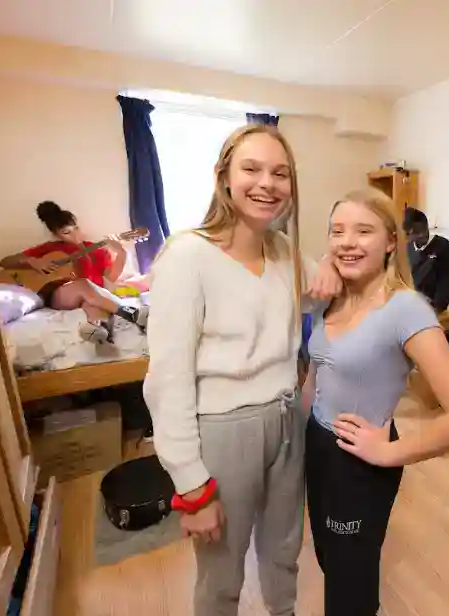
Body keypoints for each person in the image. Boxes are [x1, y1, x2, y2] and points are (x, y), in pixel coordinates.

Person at [142, 124, 342, 616]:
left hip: (286, 419)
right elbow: (168, 380)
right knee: (222, 570)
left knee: (282, 551)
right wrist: (191, 486)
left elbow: (326, 284)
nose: (266, 183)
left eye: (280, 173)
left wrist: (332, 266)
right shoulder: (188, 256)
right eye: (251, 169)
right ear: (223, 177)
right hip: (223, 432)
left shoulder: (285, 253)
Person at [302, 187, 449, 616]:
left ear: (390, 242)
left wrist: (389, 452)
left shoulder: (406, 309)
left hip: (359, 458)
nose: (347, 241)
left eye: (363, 231)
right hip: (318, 446)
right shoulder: (335, 295)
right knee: (332, 561)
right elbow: (317, 372)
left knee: (350, 586)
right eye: (337, 232)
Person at [0, 200, 146, 343]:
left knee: (92, 301)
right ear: (57, 235)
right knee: (83, 285)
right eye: (66, 232)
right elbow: (4, 261)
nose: (75, 235)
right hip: (58, 295)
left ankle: (98, 329)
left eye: (76, 228)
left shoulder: (98, 251)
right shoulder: (51, 248)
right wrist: (32, 261)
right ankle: (131, 313)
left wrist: (121, 254)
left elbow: (110, 279)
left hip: (92, 295)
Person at [403, 206, 449, 313]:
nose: (421, 235)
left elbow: (446, 280)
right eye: (415, 233)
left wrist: (436, 306)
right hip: (409, 305)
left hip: (433, 307)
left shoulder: (443, 246)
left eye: (422, 231)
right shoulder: (407, 248)